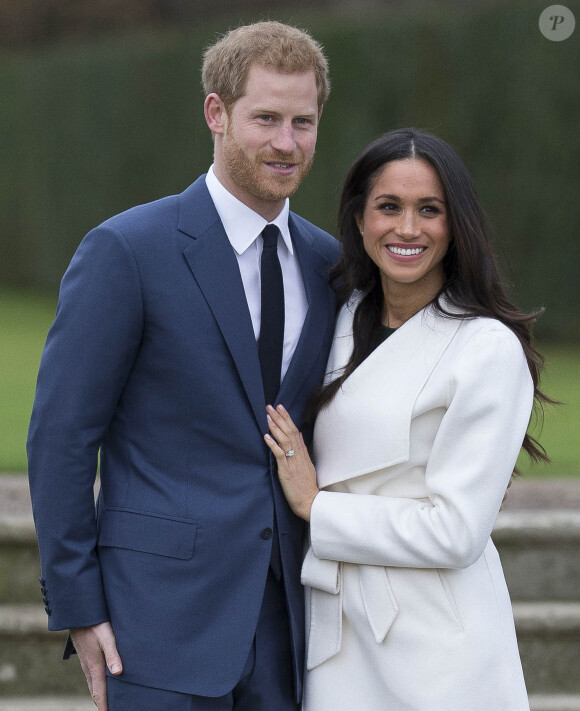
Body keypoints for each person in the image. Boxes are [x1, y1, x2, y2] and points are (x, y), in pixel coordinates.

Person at [27, 21, 339, 711]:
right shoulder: (128, 250)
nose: (286, 143)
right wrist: (80, 607)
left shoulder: (330, 265)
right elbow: (62, 437)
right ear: (216, 113)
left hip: (295, 633)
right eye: (266, 118)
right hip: (155, 627)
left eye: (303, 122)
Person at [264, 128, 550, 710]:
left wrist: (319, 507)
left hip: (437, 649)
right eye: (388, 207)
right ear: (359, 218)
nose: (408, 229)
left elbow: (455, 531)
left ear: (456, 224)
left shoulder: (485, 348)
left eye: (430, 210)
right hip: (339, 635)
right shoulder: (338, 317)